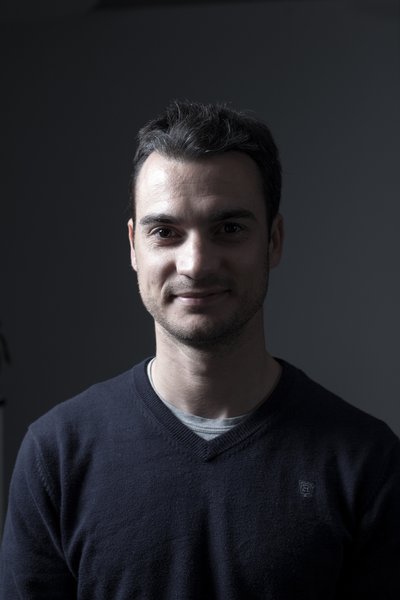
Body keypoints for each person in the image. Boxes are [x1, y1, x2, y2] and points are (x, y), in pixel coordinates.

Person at [1, 100, 399, 599]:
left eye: (228, 229)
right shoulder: (57, 456)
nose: (196, 264)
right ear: (134, 247)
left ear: (274, 240)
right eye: (165, 232)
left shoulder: (365, 462)